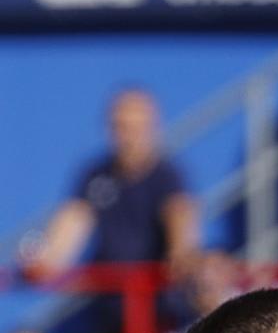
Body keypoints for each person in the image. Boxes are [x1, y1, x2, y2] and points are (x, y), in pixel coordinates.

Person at [21, 88, 199, 284]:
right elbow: (74, 220)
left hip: (159, 302)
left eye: (137, 128)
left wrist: (181, 254)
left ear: (154, 127)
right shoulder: (95, 176)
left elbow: (180, 217)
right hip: (110, 300)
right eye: (120, 127)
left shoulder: (168, 177)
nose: (129, 138)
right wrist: (47, 260)